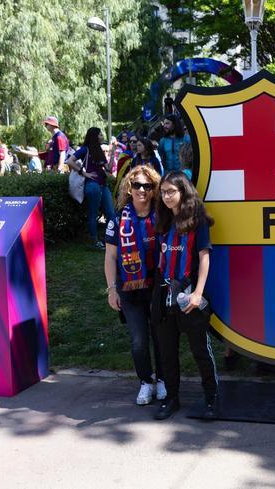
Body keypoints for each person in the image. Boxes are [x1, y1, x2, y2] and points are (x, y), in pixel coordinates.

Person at [152, 171, 218, 421]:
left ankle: (211, 398)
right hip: (164, 295)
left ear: (183, 192)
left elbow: (204, 257)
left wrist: (197, 293)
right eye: (164, 192)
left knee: (200, 350)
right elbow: (161, 256)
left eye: (172, 191)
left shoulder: (197, 221)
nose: (167, 196)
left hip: (189, 294)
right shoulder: (162, 220)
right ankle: (172, 399)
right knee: (167, 352)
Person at [104, 165, 166, 405]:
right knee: (139, 340)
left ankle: (162, 379)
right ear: (129, 188)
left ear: (154, 189)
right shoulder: (118, 219)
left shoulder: (162, 216)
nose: (142, 190)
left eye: (148, 186)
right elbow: (110, 256)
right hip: (129, 288)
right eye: (137, 185)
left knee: (160, 336)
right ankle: (145, 381)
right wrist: (111, 289)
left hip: (156, 285)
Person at [65, 127, 116, 249]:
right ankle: (95, 242)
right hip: (92, 185)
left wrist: (112, 153)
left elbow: (108, 169)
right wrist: (84, 173)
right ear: (94, 136)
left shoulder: (98, 150)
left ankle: (109, 239)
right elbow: (70, 161)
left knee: (111, 214)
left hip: (103, 185)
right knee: (93, 213)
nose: (102, 137)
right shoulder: (85, 149)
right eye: (100, 135)